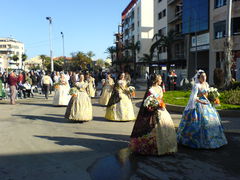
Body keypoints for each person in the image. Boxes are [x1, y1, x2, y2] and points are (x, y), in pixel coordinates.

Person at [177, 70, 228, 149]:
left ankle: (213, 140)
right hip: (199, 104)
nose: (204, 78)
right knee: (203, 121)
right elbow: (194, 98)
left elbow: (207, 95)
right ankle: (196, 141)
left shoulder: (206, 84)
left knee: (212, 120)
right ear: (199, 78)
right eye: (202, 77)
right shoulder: (196, 85)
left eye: (205, 76)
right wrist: (201, 101)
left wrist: (212, 99)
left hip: (207, 103)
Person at [129, 74, 177, 155]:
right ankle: (153, 146)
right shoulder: (150, 89)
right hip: (153, 110)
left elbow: (160, 99)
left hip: (161, 108)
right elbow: (148, 101)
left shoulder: (160, 88)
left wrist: (160, 104)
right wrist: (153, 106)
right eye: (160, 79)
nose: (161, 80)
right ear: (156, 80)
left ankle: (166, 147)